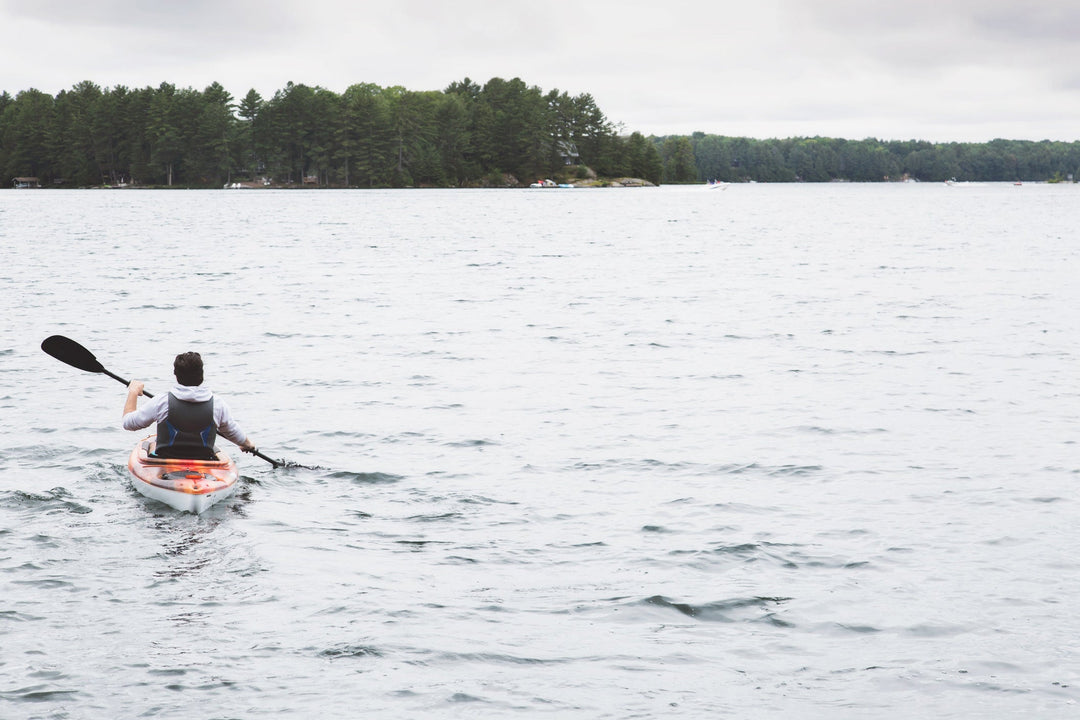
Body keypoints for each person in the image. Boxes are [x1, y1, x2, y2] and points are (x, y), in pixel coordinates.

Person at [122, 351, 257, 460]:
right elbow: (232, 432)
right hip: (204, 461)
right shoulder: (218, 404)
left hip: (167, 460)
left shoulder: (161, 402)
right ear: (202, 375)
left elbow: (128, 423)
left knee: (151, 444)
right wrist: (247, 445)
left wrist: (133, 392)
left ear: (176, 375)